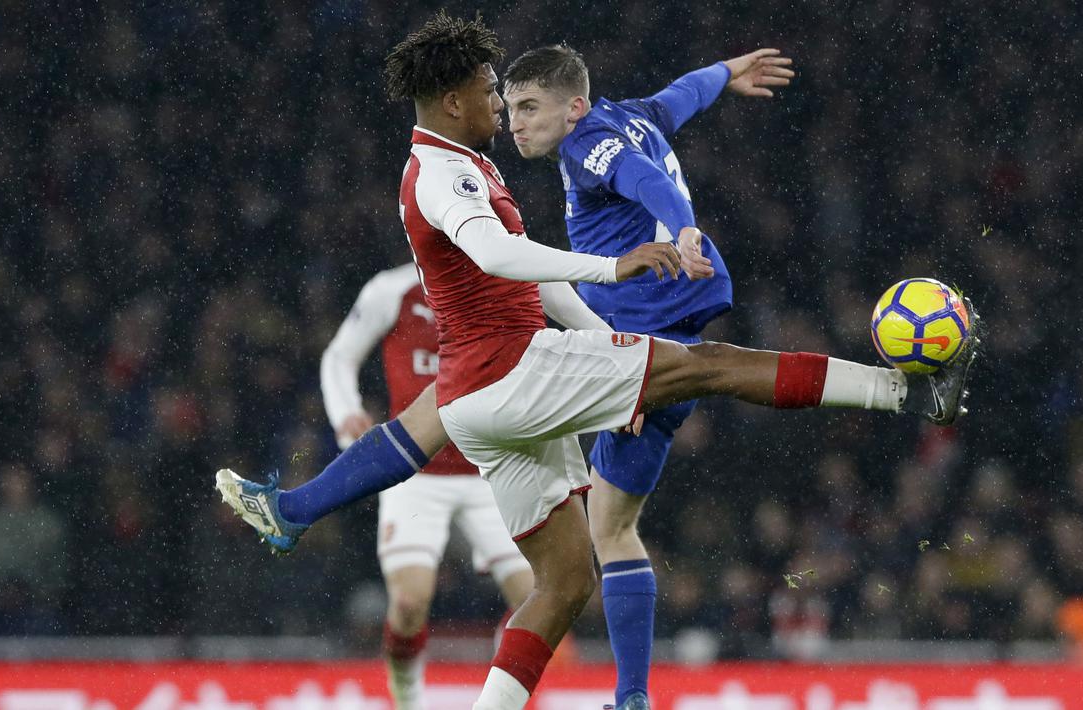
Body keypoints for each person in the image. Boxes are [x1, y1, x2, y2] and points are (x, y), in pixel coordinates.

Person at [217, 12, 978, 709]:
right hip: (518, 376)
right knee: (708, 364)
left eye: (514, 99)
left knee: (564, 581)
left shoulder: (464, 162)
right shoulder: (445, 174)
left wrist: (610, 352)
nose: (500, 108)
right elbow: (498, 252)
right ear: (452, 101)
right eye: (491, 94)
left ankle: (295, 511)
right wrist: (614, 272)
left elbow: (558, 252)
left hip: (484, 397)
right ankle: (906, 397)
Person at [501, 44, 793, 709]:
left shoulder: (588, 146)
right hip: (670, 327)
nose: (515, 123)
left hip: (635, 341)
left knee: (489, 391)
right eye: (512, 109)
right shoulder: (631, 114)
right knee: (610, 524)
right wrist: (725, 74)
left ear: (572, 109)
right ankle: (630, 696)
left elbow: (641, 180)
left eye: (529, 108)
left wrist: (683, 230)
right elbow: (680, 94)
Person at [321, 264, 535, 709]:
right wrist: (346, 415)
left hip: (490, 470)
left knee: (540, 599)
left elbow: (553, 335)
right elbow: (339, 356)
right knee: (409, 601)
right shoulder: (391, 289)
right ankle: (408, 697)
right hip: (414, 474)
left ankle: (500, 691)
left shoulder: (503, 280)